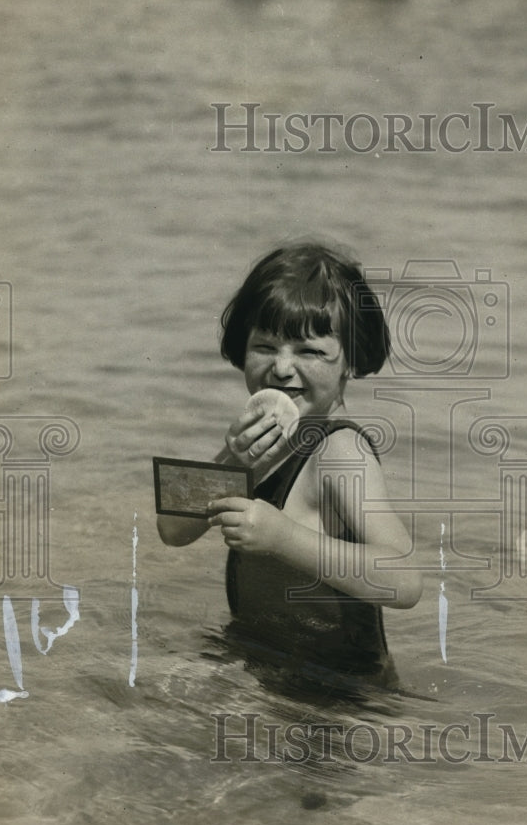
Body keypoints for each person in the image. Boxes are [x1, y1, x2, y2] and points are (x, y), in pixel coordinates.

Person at [157, 242, 422, 687]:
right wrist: (231, 461)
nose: (281, 368)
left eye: (310, 352)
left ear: (349, 364)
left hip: (337, 685)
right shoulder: (257, 441)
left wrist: (283, 537)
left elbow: (404, 580)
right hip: (262, 659)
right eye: (265, 346)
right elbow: (172, 530)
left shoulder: (339, 453)